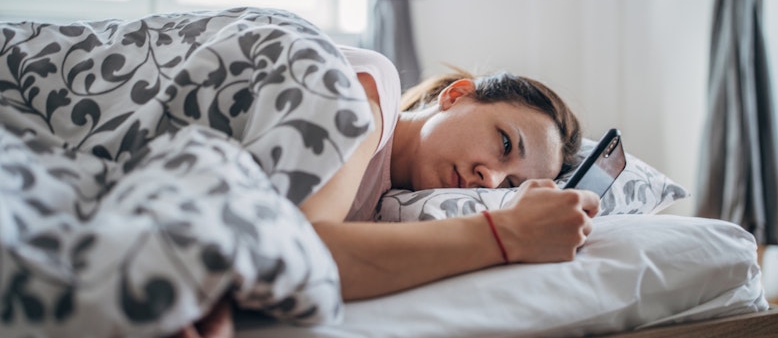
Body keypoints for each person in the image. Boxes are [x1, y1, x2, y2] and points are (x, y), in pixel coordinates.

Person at [177, 45, 600, 338]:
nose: (488, 180)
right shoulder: (363, 96)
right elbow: (303, 252)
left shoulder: (383, 200)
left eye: (510, 186)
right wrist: (510, 232)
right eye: (505, 144)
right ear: (457, 95)